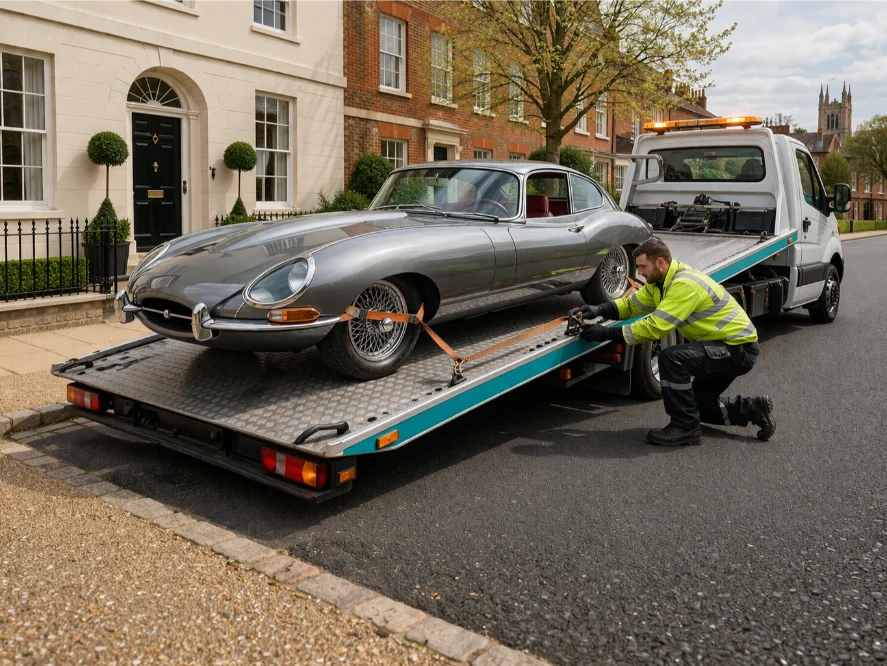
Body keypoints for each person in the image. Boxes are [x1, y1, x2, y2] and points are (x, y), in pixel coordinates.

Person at [572, 238, 775, 446]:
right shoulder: (659, 284)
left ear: (660, 263)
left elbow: (654, 327)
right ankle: (753, 409)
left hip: (737, 350)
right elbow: (632, 306)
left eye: (643, 267)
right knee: (697, 405)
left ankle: (686, 427)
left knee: (671, 358)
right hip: (722, 346)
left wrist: (606, 334)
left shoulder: (683, 285)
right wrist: (597, 309)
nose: (639, 272)